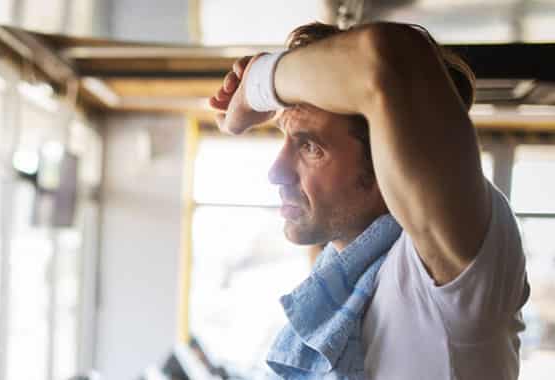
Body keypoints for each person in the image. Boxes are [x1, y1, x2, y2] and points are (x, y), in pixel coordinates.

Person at [209, 22, 529, 379]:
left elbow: (392, 60)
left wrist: (259, 85)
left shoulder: (447, 264)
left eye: (310, 147)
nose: (276, 172)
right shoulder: (344, 289)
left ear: (386, 159)